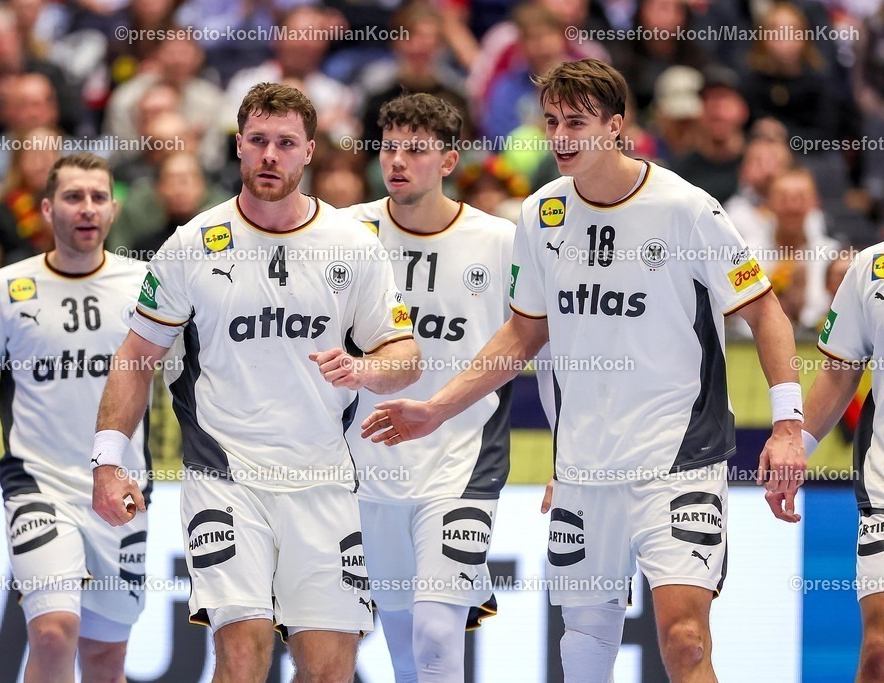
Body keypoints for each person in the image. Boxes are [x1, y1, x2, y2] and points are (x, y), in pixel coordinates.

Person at [361, 59, 807, 682]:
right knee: (584, 652)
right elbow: (523, 333)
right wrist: (437, 408)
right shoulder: (541, 214)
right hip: (584, 469)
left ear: (616, 126)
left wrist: (787, 425)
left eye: (576, 122)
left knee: (685, 642)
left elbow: (765, 311)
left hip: (679, 459)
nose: (560, 136)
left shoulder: (685, 208)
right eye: (551, 122)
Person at [89, 82, 421, 681]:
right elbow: (136, 356)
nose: (271, 154)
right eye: (259, 140)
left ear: (309, 151)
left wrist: (366, 369)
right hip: (225, 477)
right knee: (242, 653)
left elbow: (406, 355)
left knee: (329, 668)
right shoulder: (192, 243)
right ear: (238, 145)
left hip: (324, 479)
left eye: (286, 143)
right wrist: (108, 462)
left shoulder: (352, 244)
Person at [0, 152, 151, 682]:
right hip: (38, 485)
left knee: (105, 659)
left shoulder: (146, 284)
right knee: (53, 633)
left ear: (114, 210)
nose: (87, 208)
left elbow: (196, 378)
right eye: (74, 197)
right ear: (48, 209)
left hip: (120, 487)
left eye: (98, 197)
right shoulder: (4, 289)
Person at [342, 93, 516, 682]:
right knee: (401, 646)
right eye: (389, 147)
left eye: (416, 150)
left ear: (448, 161)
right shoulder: (347, 232)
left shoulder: (500, 241)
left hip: (462, 461)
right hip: (368, 464)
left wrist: (567, 458)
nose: (398, 161)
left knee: (438, 633)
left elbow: (540, 347)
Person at [773, 244, 884, 681]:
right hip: (883, 490)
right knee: (878, 653)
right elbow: (841, 371)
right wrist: (795, 448)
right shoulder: (871, 267)